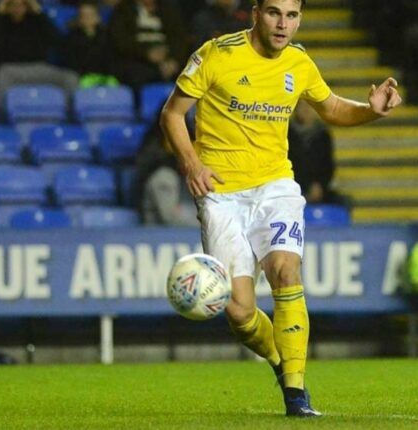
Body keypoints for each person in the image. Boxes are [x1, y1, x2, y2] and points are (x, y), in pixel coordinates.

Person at [161, 0, 401, 418]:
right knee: (238, 311)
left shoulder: (299, 62)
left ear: (300, 19)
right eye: (274, 13)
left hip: (275, 187)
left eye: (292, 15)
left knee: (285, 269)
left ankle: (296, 392)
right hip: (221, 194)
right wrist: (191, 163)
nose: (283, 24)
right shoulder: (217, 53)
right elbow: (173, 113)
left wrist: (371, 111)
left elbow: (332, 108)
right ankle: (279, 359)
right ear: (255, 13)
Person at [287, 102, 348, 207]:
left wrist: (319, 186)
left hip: (318, 187)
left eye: (309, 107)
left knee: (343, 202)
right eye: (302, 107)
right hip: (291, 187)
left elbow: (328, 165)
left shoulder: (323, 134)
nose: (306, 111)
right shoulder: (287, 133)